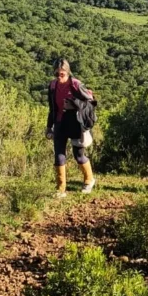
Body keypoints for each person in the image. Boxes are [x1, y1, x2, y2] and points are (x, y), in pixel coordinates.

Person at [46, 59, 96, 198]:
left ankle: (89, 180)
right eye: (56, 73)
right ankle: (60, 189)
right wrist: (49, 126)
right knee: (59, 156)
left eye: (61, 73)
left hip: (75, 124)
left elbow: (91, 102)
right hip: (60, 123)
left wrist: (74, 104)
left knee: (78, 156)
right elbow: (52, 108)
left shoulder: (76, 84)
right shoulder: (53, 86)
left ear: (67, 72)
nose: (58, 76)